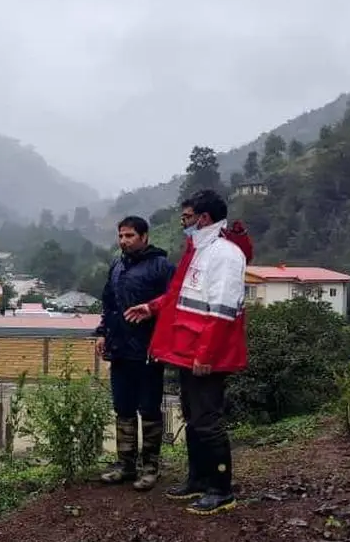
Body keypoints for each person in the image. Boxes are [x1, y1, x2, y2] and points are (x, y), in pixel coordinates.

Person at [125, 189, 251, 515]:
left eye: (187, 218)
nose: (184, 223)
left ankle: (221, 489)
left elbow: (222, 311)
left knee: (208, 419)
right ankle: (197, 479)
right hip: (187, 348)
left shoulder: (225, 254)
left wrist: (206, 355)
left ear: (203, 218)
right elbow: (179, 295)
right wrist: (152, 307)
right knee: (193, 417)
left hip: (206, 354)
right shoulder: (197, 250)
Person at [96, 216, 175, 491]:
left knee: (150, 410)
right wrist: (103, 333)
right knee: (123, 408)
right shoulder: (117, 266)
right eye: (121, 236)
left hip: (148, 350)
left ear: (144, 236)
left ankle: (151, 468)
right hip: (119, 350)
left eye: (129, 236)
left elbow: (174, 302)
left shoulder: (161, 266)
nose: (123, 241)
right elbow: (108, 303)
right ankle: (125, 465)